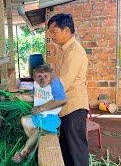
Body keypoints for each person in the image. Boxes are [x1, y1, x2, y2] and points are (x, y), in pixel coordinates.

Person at [47, 13, 89, 166]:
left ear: (66, 30)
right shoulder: (63, 50)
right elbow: (56, 76)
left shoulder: (74, 52)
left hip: (74, 107)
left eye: (54, 31)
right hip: (65, 107)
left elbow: (63, 83)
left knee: (77, 150)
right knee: (66, 149)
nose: (51, 36)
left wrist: (42, 95)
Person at [12, 64, 67, 163]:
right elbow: (34, 97)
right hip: (39, 114)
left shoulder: (54, 83)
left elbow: (62, 100)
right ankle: (34, 145)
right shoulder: (36, 84)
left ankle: (24, 151)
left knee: (38, 130)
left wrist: (41, 108)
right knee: (24, 120)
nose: (42, 80)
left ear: (51, 77)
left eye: (45, 77)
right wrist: (19, 97)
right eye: (39, 77)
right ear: (34, 77)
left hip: (50, 116)